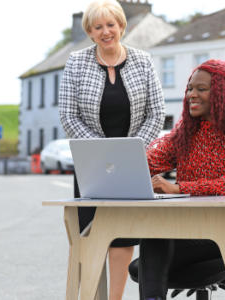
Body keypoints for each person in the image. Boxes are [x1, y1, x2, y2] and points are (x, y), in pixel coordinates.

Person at [139, 59, 225, 300]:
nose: (192, 94)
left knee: (151, 254)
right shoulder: (187, 131)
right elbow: (151, 161)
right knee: (153, 236)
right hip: (188, 228)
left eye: (201, 89)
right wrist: (124, 164)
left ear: (224, 93)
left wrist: (178, 188)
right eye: (190, 88)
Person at [58, 0, 165, 299]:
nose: (106, 32)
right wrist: (102, 151)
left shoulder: (143, 61)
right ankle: (92, 295)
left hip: (132, 163)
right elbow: (68, 115)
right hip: (92, 164)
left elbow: (157, 113)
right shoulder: (76, 62)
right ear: (90, 33)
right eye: (98, 27)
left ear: (121, 26)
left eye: (111, 25)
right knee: (91, 235)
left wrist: (131, 149)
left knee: (122, 237)